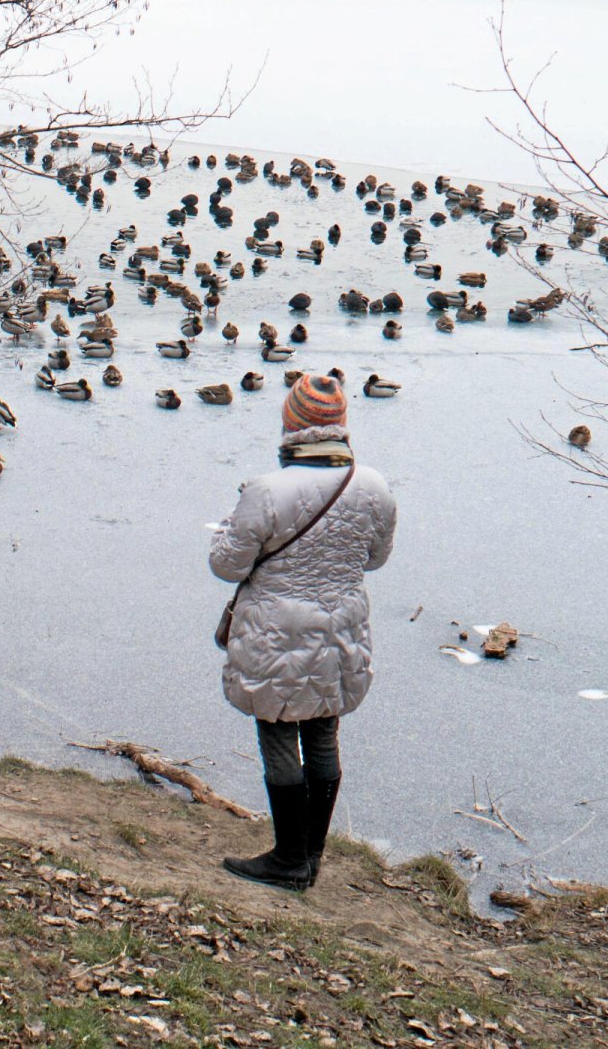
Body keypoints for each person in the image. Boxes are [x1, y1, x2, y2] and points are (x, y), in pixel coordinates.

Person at [208, 368, 397, 890]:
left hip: (276, 633)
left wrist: (231, 522)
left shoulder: (265, 490)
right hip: (340, 630)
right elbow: (376, 559)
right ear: (340, 424)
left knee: (276, 730)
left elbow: (226, 564)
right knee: (322, 731)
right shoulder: (375, 486)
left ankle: (288, 859)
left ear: (290, 423)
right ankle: (311, 855)